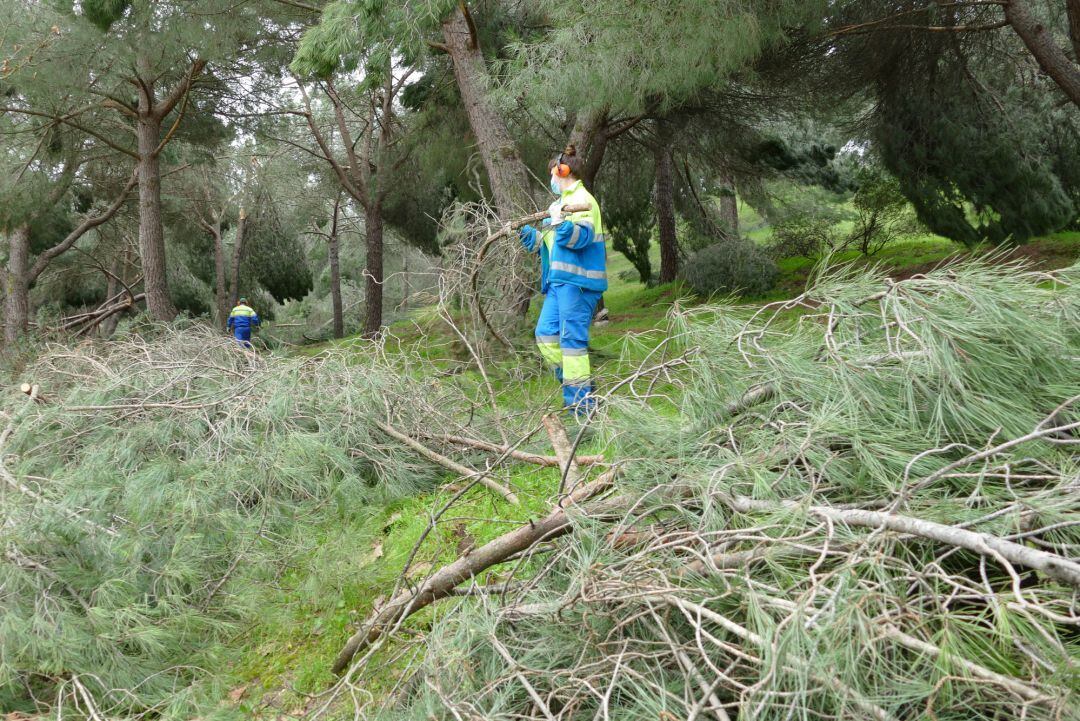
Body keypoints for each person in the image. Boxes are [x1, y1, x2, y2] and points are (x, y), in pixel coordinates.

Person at [519, 144, 607, 415]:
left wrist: (559, 222)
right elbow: (549, 243)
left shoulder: (584, 200)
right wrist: (530, 236)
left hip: (578, 284)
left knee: (572, 345)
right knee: (545, 337)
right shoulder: (557, 205)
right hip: (558, 284)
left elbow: (580, 238)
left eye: (552, 174)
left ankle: (581, 409)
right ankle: (582, 390)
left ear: (562, 171)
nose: (551, 180)